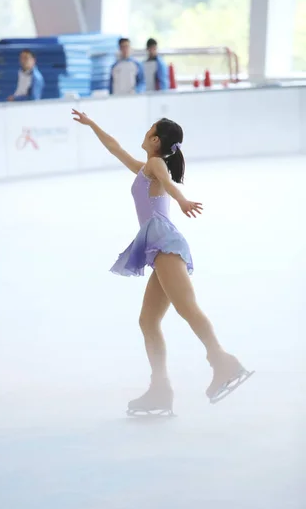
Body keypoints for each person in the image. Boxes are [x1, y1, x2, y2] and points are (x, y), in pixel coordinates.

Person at [71, 108, 254, 415]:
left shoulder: (156, 163)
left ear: (155, 140)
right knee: (148, 320)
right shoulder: (145, 167)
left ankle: (223, 361)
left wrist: (182, 200)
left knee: (187, 308)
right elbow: (116, 148)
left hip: (164, 244)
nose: (144, 134)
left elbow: (168, 183)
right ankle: (161, 388)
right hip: (158, 248)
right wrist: (92, 125)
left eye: (149, 131)